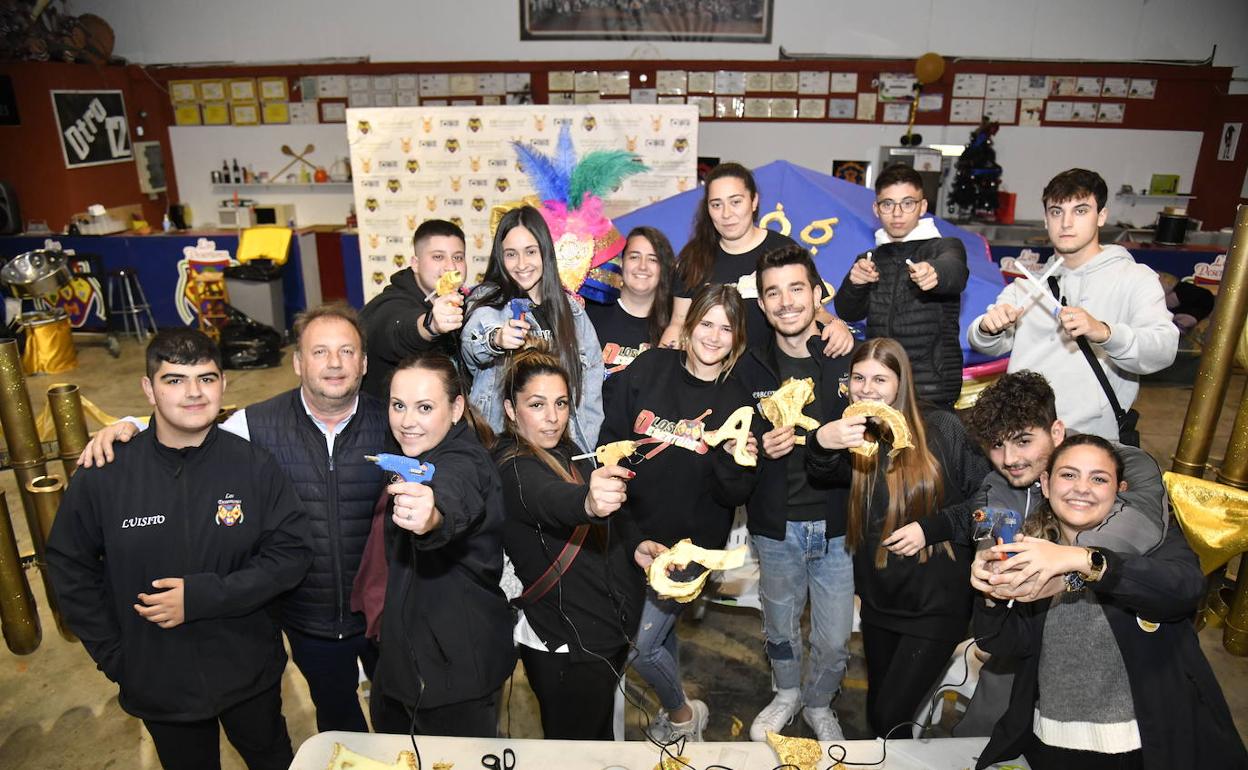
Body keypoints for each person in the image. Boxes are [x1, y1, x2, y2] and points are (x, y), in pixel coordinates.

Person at [79, 303, 389, 734]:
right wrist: (130, 426)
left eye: (346, 351)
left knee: (402, 720)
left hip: (387, 617)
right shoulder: (254, 425)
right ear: (298, 362)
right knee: (339, 722)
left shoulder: (395, 421)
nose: (334, 363)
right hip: (308, 622)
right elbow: (188, 430)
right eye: (319, 352)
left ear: (365, 362)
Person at [47, 329, 312, 770]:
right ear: (148, 388)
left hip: (248, 672)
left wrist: (205, 596)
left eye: (206, 379)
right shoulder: (106, 474)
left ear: (223, 384)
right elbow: (69, 567)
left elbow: (291, 555)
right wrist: (118, 657)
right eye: (174, 380)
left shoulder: (253, 466)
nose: (193, 393)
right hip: (159, 682)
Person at [883, 369, 1170, 737]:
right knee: (985, 738)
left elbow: (1137, 530)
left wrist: (1063, 568)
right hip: (1027, 649)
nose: (1010, 458)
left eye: (1022, 441)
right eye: (997, 446)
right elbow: (992, 543)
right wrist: (991, 575)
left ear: (1056, 431)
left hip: (1124, 650)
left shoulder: (1125, 464)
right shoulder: (997, 487)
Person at [972, 435, 1246, 769]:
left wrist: (1086, 562)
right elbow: (1007, 643)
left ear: (1120, 489)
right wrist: (991, 594)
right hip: (1051, 742)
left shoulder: (1152, 540)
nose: (1082, 488)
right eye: (1069, 475)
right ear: (1045, 484)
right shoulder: (1033, 550)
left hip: (1141, 747)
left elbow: (1183, 591)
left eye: (1098, 478)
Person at [805, 338, 991, 738]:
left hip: (936, 605)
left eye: (879, 379)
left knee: (891, 715)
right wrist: (821, 440)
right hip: (879, 601)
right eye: (858, 378)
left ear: (900, 383)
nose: (867, 389)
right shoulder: (855, 436)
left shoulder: (942, 428)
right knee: (880, 716)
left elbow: (988, 502)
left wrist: (931, 528)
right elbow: (821, 473)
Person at [600, 283, 758, 743]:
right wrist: (620, 521)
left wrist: (734, 457)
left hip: (691, 548)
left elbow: (735, 494)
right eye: (706, 323)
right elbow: (611, 441)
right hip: (631, 529)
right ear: (688, 327)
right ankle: (678, 714)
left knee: (640, 645)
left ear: (737, 340)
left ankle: (685, 715)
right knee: (657, 636)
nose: (713, 336)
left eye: (726, 328)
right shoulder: (649, 368)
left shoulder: (739, 401)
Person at [494, 345, 659, 739]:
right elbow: (550, 500)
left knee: (599, 739)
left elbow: (615, 523)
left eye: (561, 403)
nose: (552, 418)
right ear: (511, 410)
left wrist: (635, 546)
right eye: (536, 404)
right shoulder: (513, 467)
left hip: (602, 635)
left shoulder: (569, 450)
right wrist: (586, 501)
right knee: (575, 749)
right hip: (567, 649)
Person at [734, 243, 853, 742]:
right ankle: (786, 693)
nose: (786, 302)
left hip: (838, 526)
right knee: (779, 628)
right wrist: (758, 446)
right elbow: (730, 444)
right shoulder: (748, 367)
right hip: (774, 526)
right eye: (773, 293)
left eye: (797, 289)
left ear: (817, 294)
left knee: (835, 638)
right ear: (761, 304)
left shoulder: (844, 358)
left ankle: (820, 702)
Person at [367, 351, 516, 737]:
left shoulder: (464, 459)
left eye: (424, 407)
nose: (407, 421)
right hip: (403, 666)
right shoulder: (412, 452)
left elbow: (453, 492)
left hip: (456, 678)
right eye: (398, 405)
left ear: (456, 408)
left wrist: (432, 517)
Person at [968, 168, 1178, 440]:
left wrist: (1104, 332)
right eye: (1056, 212)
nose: (1066, 223)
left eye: (1080, 211)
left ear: (1101, 216)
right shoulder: (1027, 287)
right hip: (1024, 434)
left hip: (1092, 439)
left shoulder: (1135, 279)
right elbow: (984, 342)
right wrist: (988, 327)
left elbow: (1163, 349)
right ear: (1046, 220)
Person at [661, 161, 853, 356]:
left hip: (772, 379)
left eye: (736, 202)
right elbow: (679, 323)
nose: (726, 214)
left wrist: (837, 326)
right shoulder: (693, 257)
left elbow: (817, 312)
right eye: (717, 205)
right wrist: (659, 365)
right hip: (709, 378)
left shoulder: (782, 250)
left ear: (753, 201)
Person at [462, 205, 605, 451]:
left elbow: (590, 395)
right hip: (500, 450)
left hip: (562, 450)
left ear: (545, 253)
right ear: (499, 257)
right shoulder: (488, 301)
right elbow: (474, 340)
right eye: (510, 254)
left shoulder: (572, 312)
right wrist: (497, 339)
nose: (521, 264)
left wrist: (583, 456)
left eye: (530, 251)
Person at [833, 163, 968, 409]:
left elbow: (956, 272)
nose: (897, 213)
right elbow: (847, 312)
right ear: (876, 208)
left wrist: (935, 273)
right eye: (888, 204)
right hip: (880, 388)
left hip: (930, 389)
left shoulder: (943, 247)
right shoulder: (870, 258)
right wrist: (855, 283)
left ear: (923, 207)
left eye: (907, 203)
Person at [360, 219, 468, 399]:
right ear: (415, 263)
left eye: (458, 257)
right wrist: (431, 325)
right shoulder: (389, 304)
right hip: (387, 421)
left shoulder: (461, 301)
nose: (451, 267)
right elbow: (399, 329)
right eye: (438, 257)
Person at [586, 226, 676, 376]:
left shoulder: (674, 325)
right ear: (621, 263)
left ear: (663, 269)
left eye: (653, 259)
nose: (642, 266)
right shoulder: (590, 314)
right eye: (634, 257)